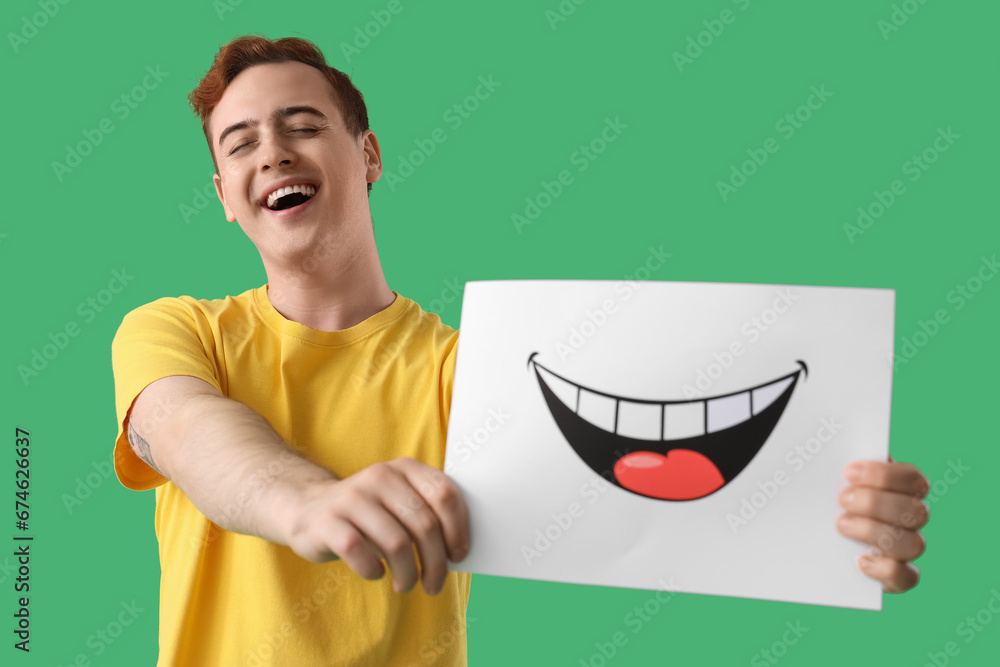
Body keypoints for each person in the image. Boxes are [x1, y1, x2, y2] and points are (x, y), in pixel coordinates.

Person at [110, 34, 930, 666]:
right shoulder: (177, 329)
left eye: (302, 124)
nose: (273, 153)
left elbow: (651, 481)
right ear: (224, 196)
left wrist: (835, 520)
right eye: (240, 143)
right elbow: (184, 430)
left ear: (368, 155)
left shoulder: (474, 370)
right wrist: (304, 503)